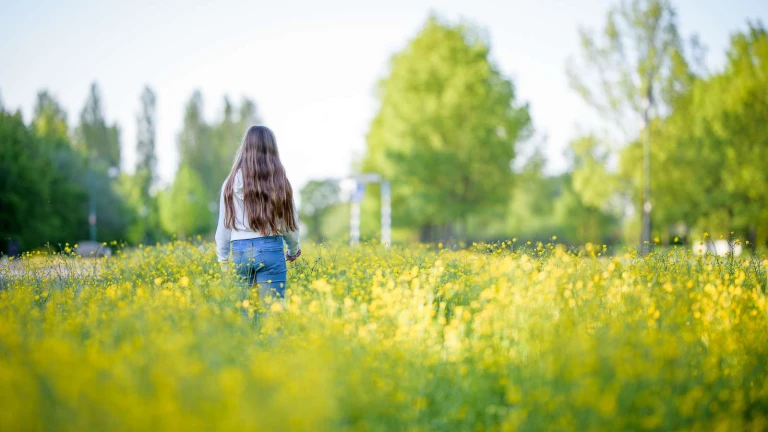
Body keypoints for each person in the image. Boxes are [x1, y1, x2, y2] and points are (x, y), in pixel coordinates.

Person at [215, 125, 301, 306]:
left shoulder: (230, 183)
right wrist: (293, 249)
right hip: (270, 247)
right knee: (272, 314)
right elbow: (289, 222)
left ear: (245, 148)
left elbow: (224, 226)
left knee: (244, 314)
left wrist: (223, 261)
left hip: (239, 251)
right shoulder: (280, 182)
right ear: (272, 149)